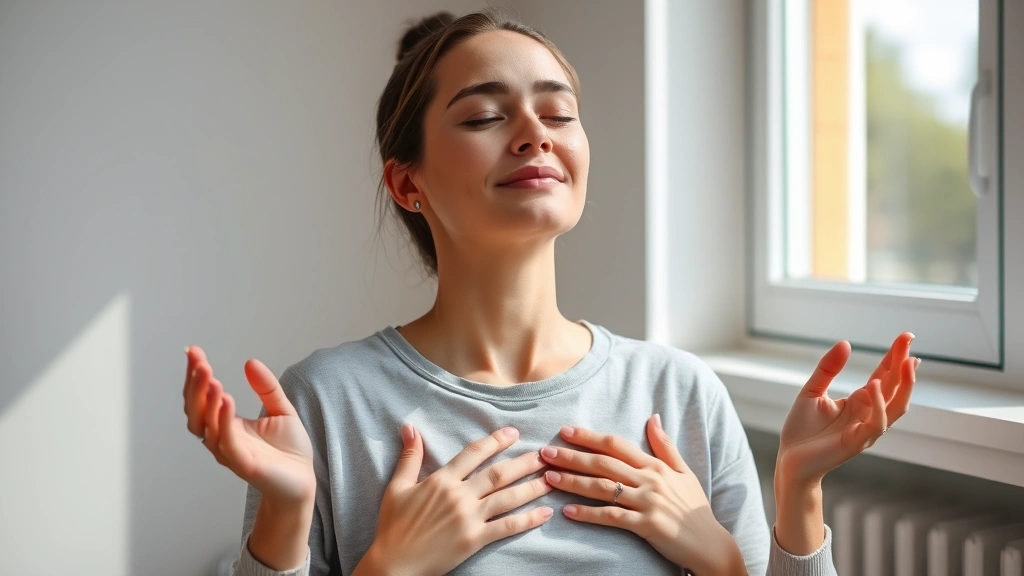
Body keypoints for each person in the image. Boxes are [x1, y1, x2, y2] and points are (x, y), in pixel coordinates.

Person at [181, 10, 919, 576]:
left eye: (558, 112)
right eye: (484, 116)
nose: (536, 133)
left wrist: (790, 498)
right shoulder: (325, 404)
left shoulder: (680, 392)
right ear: (408, 183)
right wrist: (331, 538)